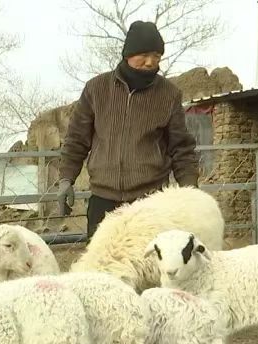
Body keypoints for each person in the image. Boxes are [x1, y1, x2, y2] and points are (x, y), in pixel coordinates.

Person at [57, 20, 200, 240]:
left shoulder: (168, 94)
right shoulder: (97, 89)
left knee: (147, 258)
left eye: (157, 56)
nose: (150, 62)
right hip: (103, 200)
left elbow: (181, 148)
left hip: (150, 201)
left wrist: (190, 191)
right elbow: (77, 139)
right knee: (103, 259)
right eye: (144, 55)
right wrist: (66, 178)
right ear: (128, 54)